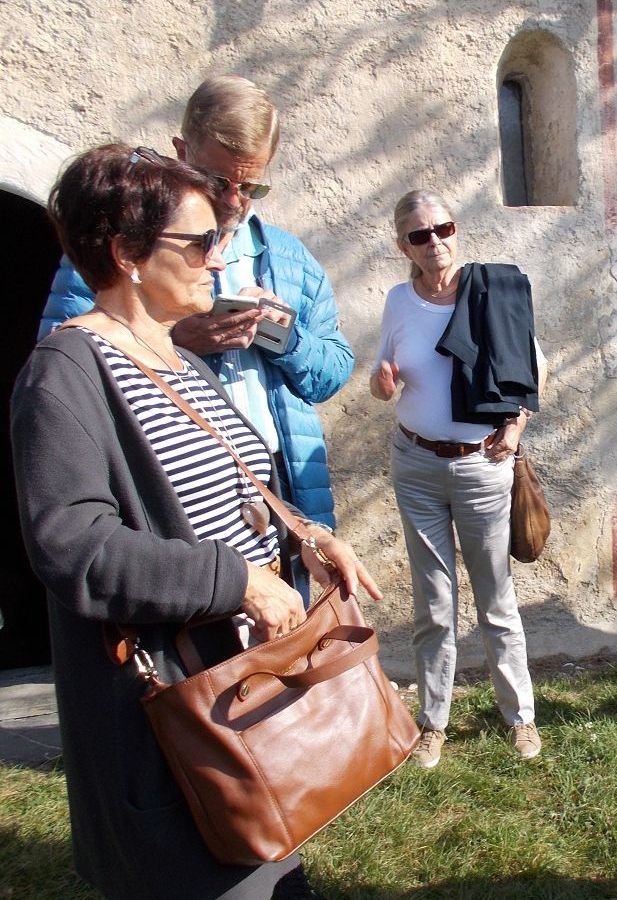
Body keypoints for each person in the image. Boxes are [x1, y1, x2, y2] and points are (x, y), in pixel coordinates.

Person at [13, 143, 381, 899]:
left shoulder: (180, 361)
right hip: (169, 733)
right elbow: (75, 549)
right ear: (126, 253)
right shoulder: (65, 373)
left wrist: (302, 539)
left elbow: (227, 491)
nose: (220, 257)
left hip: (241, 711)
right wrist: (239, 581)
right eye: (200, 241)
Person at [39, 75, 351, 557]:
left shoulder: (290, 258)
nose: (232, 200)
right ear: (182, 151)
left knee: (293, 626)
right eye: (219, 181)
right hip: (171, 491)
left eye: (252, 186)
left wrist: (283, 337)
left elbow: (331, 374)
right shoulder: (128, 246)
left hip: (277, 478)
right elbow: (70, 379)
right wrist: (177, 340)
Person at [370, 189, 544, 769]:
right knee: (434, 604)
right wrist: (383, 382)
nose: (434, 243)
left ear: (455, 229)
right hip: (415, 463)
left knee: (495, 599)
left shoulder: (492, 289)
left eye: (441, 229)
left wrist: (514, 432)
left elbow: (530, 367)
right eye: (419, 236)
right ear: (404, 245)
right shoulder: (399, 299)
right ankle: (433, 723)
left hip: (480, 465)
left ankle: (519, 718)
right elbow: (382, 373)